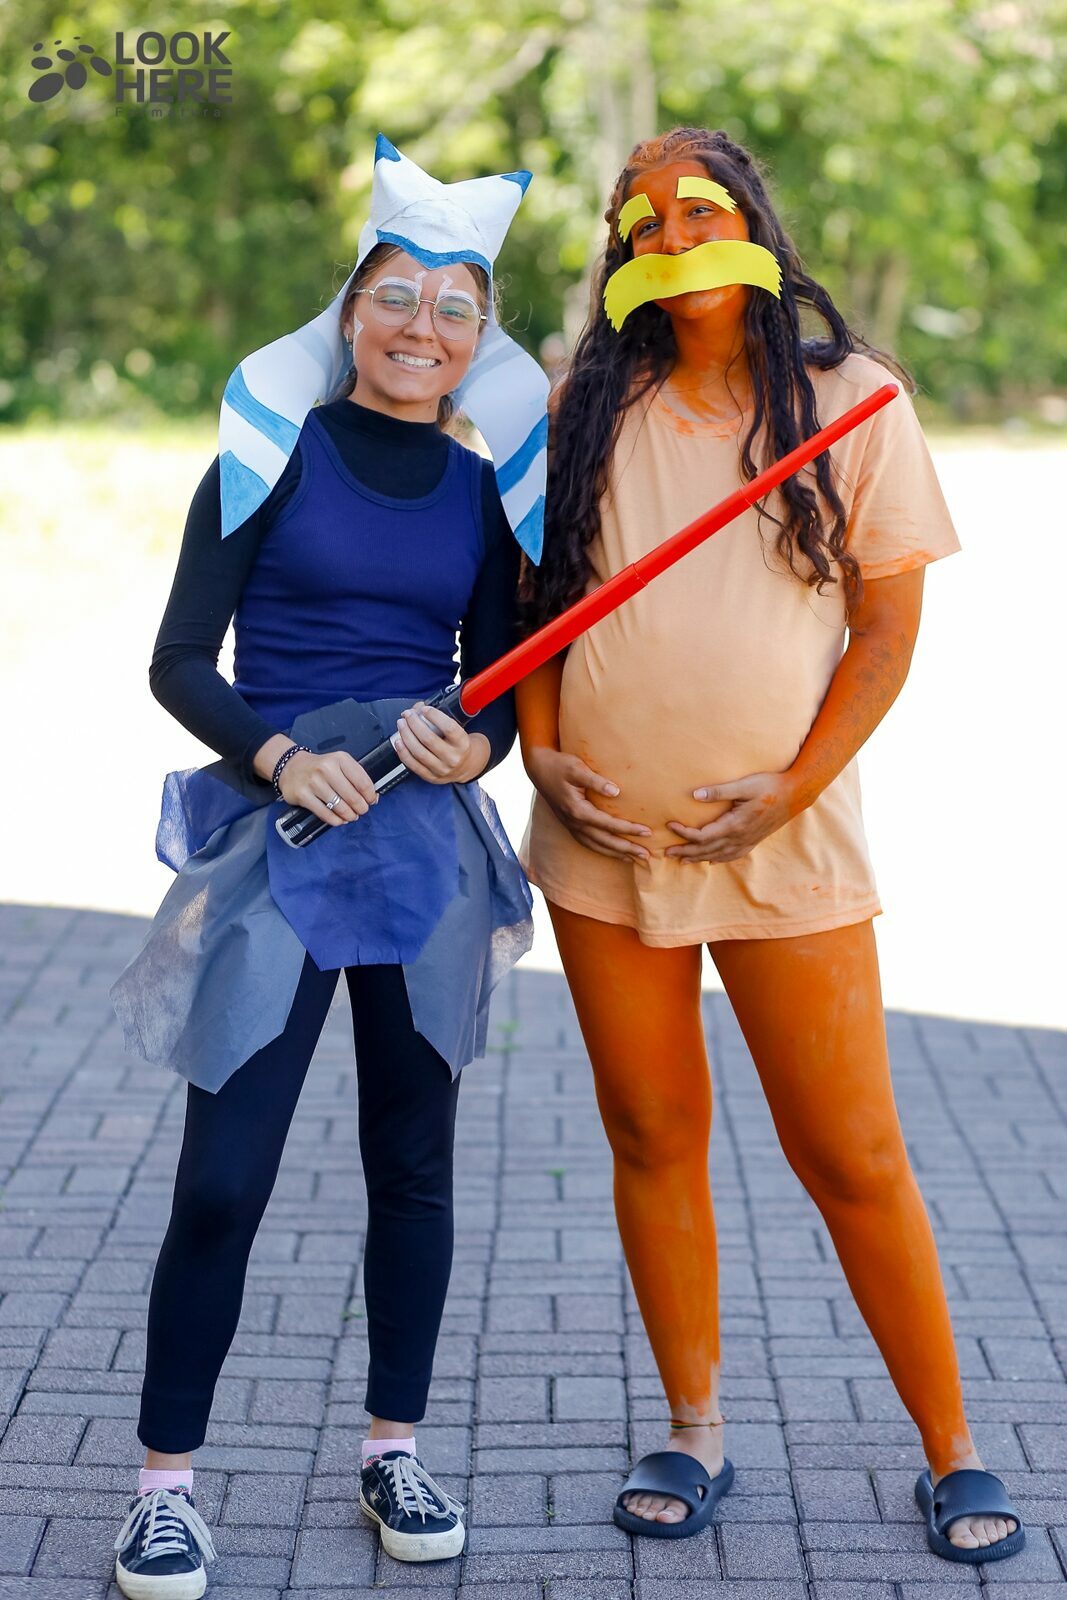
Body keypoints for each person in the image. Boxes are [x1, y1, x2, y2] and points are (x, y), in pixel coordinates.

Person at [515, 125, 1025, 1562]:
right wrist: (543, 756)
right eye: (644, 221)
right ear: (621, 253)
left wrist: (795, 787)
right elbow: (538, 597)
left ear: (749, 224)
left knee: (850, 1149)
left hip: (786, 843)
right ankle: (694, 1426)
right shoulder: (581, 405)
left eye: (699, 210)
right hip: (603, 848)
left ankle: (953, 1447)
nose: (673, 237)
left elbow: (886, 631)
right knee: (648, 1131)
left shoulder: (855, 402)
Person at [108, 137, 547, 1596]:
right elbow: (180, 658)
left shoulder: (483, 496)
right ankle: (165, 1486)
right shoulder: (265, 461)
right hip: (282, 840)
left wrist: (471, 745)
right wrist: (281, 755)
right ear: (351, 311)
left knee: (410, 1168)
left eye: (455, 309)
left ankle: (392, 1450)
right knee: (223, 1177)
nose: (424, 329)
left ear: (481, 339)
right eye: (397, 297)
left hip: (418, 856)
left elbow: (496, 683)